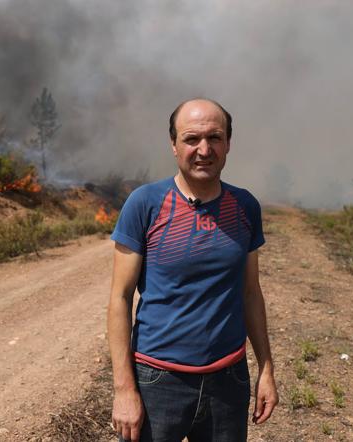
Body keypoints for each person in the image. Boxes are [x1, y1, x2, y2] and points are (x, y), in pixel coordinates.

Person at [107, 98, 278, 442]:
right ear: (173, 145)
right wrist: (125, 389)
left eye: (214, 138)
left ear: (228, 143)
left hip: (228, 381)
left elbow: (250, 293)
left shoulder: (244, 206)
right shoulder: (145, 203)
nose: (204, 149)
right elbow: (120, 299)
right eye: (191, 139)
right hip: (157, 380)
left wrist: (266, 369)